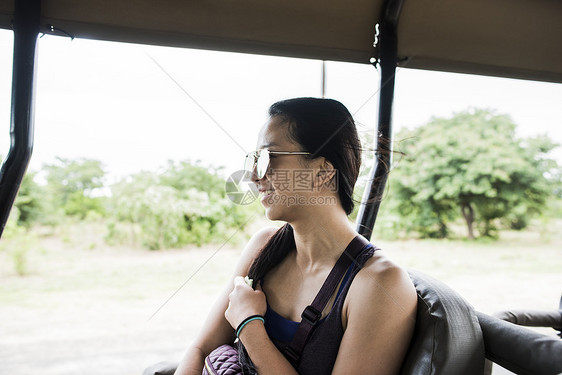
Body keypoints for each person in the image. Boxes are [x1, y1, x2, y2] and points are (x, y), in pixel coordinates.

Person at [174, 98, 417, 375]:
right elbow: (200, 350)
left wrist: (250, 328)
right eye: (254, 159)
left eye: (268, 158)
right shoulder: (264, 246)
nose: (254, 176)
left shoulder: (379, 283)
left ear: (323, 171)